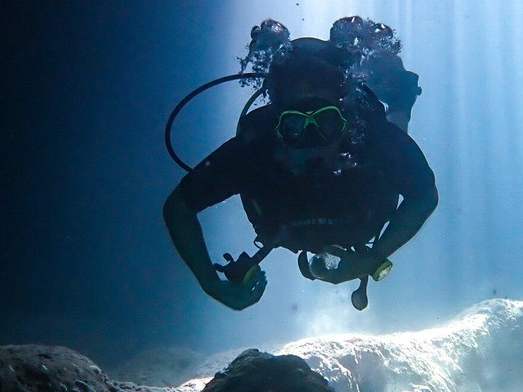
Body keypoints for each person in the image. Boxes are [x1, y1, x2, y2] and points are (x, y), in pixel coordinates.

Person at [163, 21, 438, 310]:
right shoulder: (256, 147)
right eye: (295, 124)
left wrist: (374, 256)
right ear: (276, 123)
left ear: (345, 118)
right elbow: (179, 206)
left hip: (362, 211)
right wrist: (208, 282)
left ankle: (399, 104)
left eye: (327, 121)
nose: (312, 139)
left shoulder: (369, 138)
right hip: (350, 220)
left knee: (393, 140)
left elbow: (424, 193)